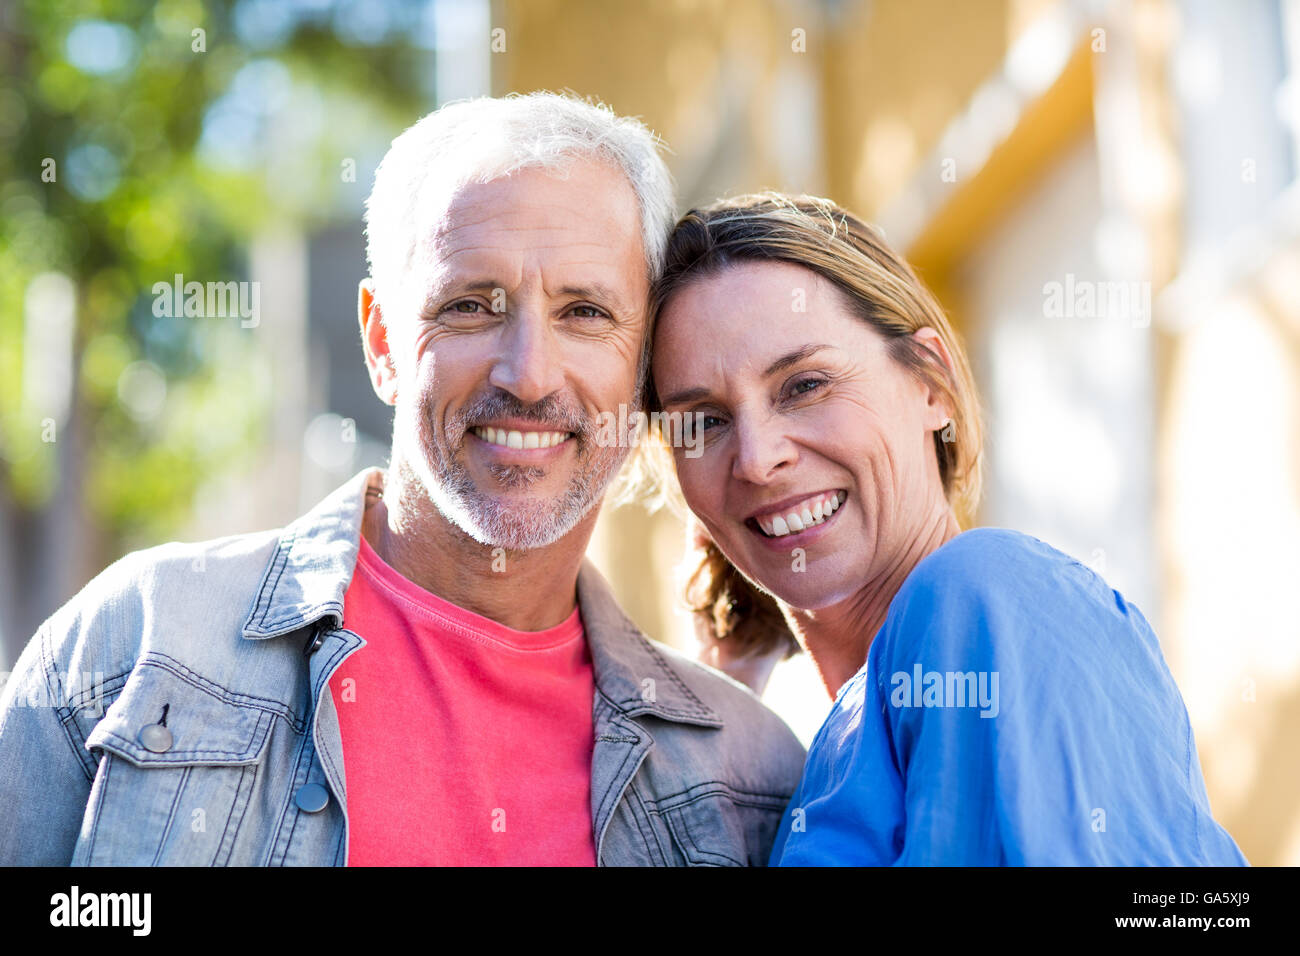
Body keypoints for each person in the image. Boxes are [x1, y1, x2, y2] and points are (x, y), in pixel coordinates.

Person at [0, 95, 805, 867]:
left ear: (643, 366)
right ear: (383, 340)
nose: (528, 374)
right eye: (470, 305)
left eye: (585, 312)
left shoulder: (749, 782)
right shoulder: (138, 644)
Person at [648, 192, 1249, 866]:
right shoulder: (830, 743)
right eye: (702, 423)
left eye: (805, 384)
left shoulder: (990, 594)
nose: (758, 460)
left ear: (931, 380)